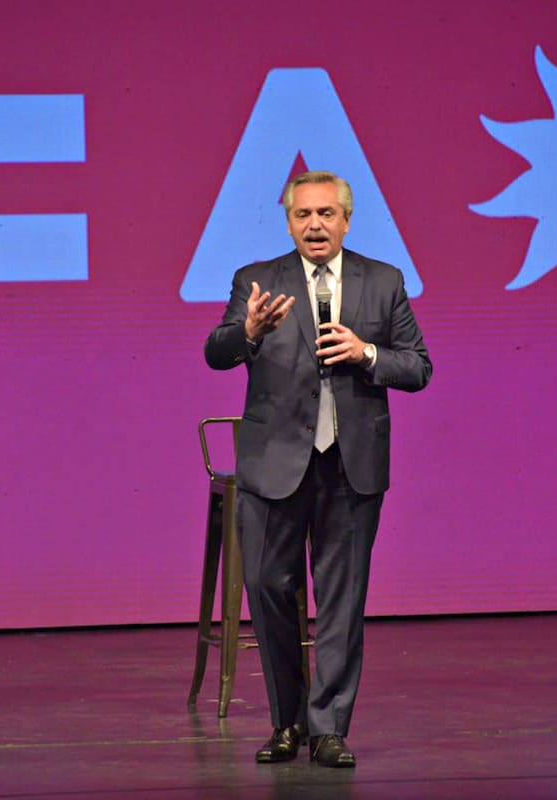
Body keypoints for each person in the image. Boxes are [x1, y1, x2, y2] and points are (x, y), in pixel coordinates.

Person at [204, 171, 432, 766]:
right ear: (288, 222)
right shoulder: (256, 280)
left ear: (346, 221)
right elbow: (216, 350)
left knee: (341, 598)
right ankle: (288, 721)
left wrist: (368, 354)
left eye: (326, 214)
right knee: (269, 589)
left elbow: (418, 366)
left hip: (350, 464)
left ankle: (329, 726)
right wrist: (248, 333)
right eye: (303, 215)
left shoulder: (382, 282)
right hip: (274, 463)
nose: (315, 225)